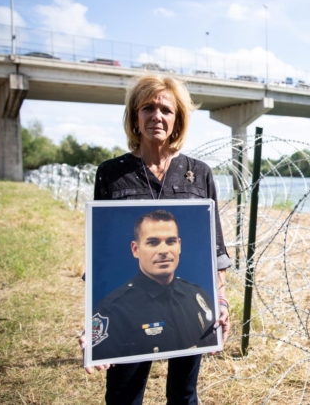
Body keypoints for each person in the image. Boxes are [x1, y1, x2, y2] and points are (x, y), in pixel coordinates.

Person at [80, 73, 231, 405]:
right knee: (123, 395)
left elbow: (215, 251)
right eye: (148, 108)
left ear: (177, 119)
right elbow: (101, 253)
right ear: (135, 116)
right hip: (129, 309)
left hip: (188, 305)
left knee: (184, 394)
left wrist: (219, 303)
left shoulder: (200, 173)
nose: (156, 116)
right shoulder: (111, 174)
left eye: (166, 109)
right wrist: (95, 325)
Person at [92, 210, 218, 361]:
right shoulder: (114, 310)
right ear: (135, 249)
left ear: (179, 245)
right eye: (153, 242)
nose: (164, 251)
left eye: (170, 241)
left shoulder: (197, 296)